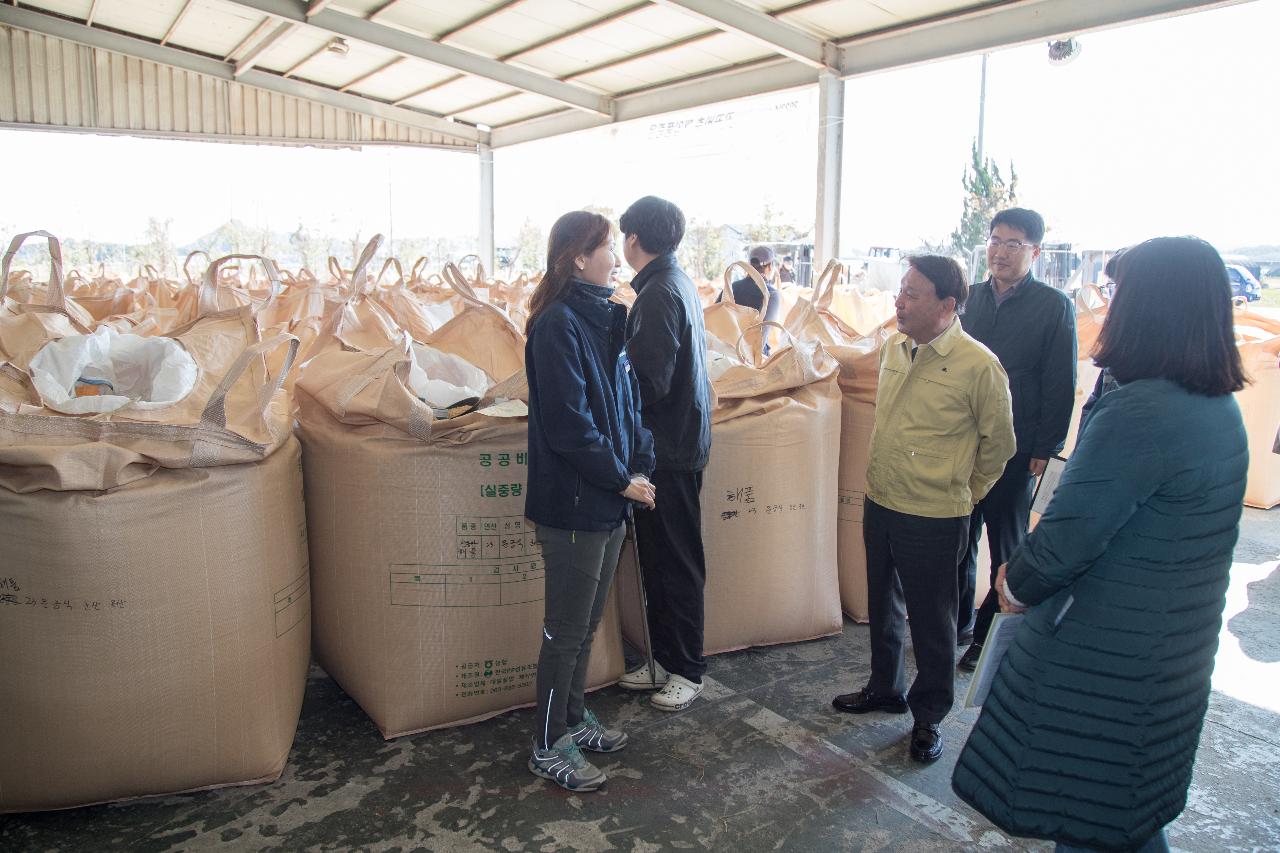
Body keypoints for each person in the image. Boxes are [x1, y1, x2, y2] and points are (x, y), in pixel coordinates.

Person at [952, 236, 1249, 852]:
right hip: (1170, 653)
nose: (1109, 306)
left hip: (1106, 658)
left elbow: (1064, 543)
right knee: (1128, 816)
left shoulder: (1140, 414)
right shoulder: (1216, 407)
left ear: (1152, 308)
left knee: (1085, 812)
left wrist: (1014, 580)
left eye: (1119, 293)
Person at [832, 255, 1015, 763]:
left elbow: (999, 445)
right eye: (901, 291)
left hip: (935, 514)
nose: (900, 301)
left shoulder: (979, 366)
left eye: (913, 293)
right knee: (882, 604)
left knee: (932, 621)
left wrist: (962, 491)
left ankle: (929, 716)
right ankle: (884, 688)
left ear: (947, 305)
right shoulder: (895, 347)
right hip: (883, 501)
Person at [524, 211, 657, 792]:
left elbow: (627, 408)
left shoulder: (606, 321)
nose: (617, 256)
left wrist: (641, 464)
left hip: (608, 498)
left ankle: (574, 720)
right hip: (576, 505)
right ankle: (547, 742)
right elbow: (568, 426)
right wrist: (620, 478)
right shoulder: (556, 326)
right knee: (566, 630)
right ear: (578, 257)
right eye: (606, 246)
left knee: (582, 628)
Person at [956, 208, 1076, 671]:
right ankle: (960, 622)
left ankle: (989, 636)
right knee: (960, 538)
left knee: (1007, 544)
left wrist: (1045, 448)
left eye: (1013, 244)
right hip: (964, 442)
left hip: (1017, 445)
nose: (1000, 251)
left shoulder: (1052, 306)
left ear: (1035, 252)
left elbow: (1059, 381)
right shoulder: (970, 298)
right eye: (994, 240)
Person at [615, 196, 714, 712]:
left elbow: (650, 381)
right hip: (675, 441)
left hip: (669, 449)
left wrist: (610, 382)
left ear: (633, 240)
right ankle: (663, 657)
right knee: (655, 559)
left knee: (676, 561)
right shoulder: (671, 283)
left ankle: (688, 669)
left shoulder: (657, 294)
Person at [715, 245, 781, 353]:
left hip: (724, 355)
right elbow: (760, 341)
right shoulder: (772, 295)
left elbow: (713, 318)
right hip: (751, 362)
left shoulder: (731, 287)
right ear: (769, 267)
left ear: (749, 265)